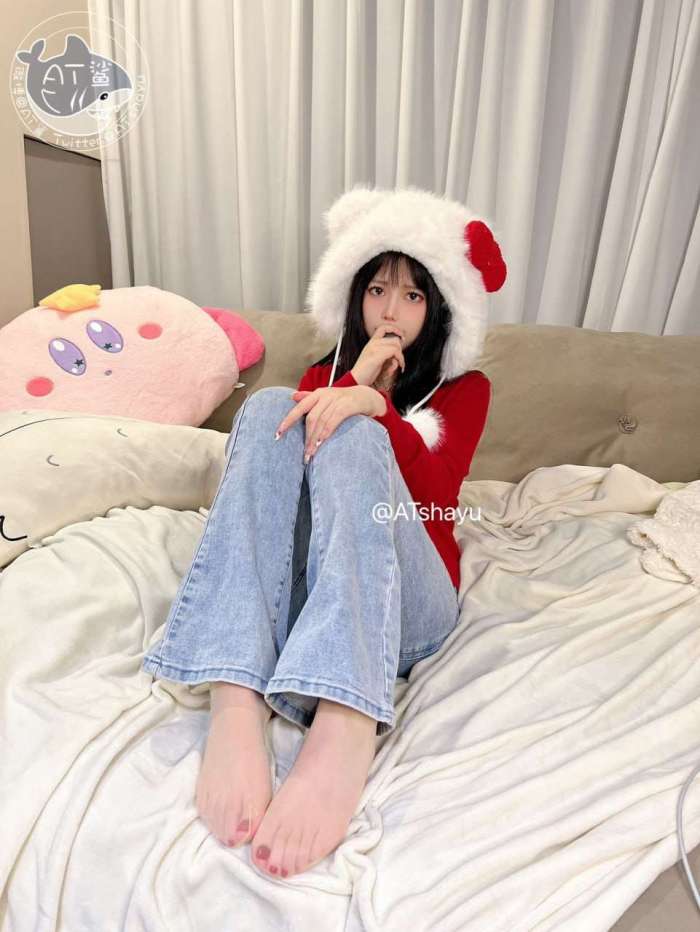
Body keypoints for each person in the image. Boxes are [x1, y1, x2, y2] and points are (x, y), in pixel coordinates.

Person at [141, 184, 507, 881]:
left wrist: (377, 405)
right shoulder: (324, 372)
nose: (390, 311)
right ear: (354, 295)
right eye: (377, 290)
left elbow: (434, 498)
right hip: (321, 588)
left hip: (411, 602)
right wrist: (352, 382)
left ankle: (346, 715)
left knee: (354, 433)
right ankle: (236, 688)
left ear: (438, 309)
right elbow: (295, 498)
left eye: (412, 295)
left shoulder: (466, 390)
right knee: (272, 406)